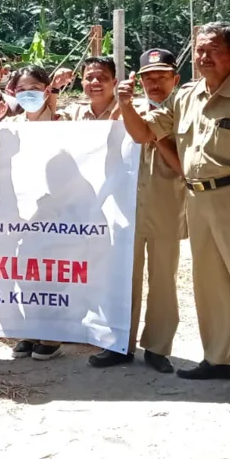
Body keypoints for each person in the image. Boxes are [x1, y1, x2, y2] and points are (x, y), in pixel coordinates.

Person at [119, 22, 230, 406]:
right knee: (210, 285)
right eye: (198, 50)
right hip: (197, 199)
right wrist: (126, 104)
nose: (204, 57)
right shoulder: (186, 96)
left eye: (212, 50)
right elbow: (145, 134)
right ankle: (219, 358)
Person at [90, 48, 185, 373]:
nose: (154, 83)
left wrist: (156, 136)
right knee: (122, 279)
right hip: (125, 209)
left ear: (176, 78)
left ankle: (158, 347)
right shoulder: (125, 111)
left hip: (166, 205)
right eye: (148, 77)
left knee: (163, 281)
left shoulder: (185, 112)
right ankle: (119, 343)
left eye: (161, 76)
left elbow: (184, 168)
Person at [4, 65, 67, 361]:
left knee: (50, 272)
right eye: (21, 90)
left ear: (46, 89)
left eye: (34, 88)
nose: (28, 94)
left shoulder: (61, 119)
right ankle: (31, 330)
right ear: (13, 93)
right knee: (24, 273)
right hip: (20, 210)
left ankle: (52, 334)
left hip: (53, 209)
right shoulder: (9, 125)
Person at [58, 56, 118, 121]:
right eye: (89, 78)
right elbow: (48, 123)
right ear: (82, 83)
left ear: (114, 83)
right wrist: (54, 87)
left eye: (102, 77)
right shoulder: (73, 113)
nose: (95, 82)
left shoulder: (127, 112)